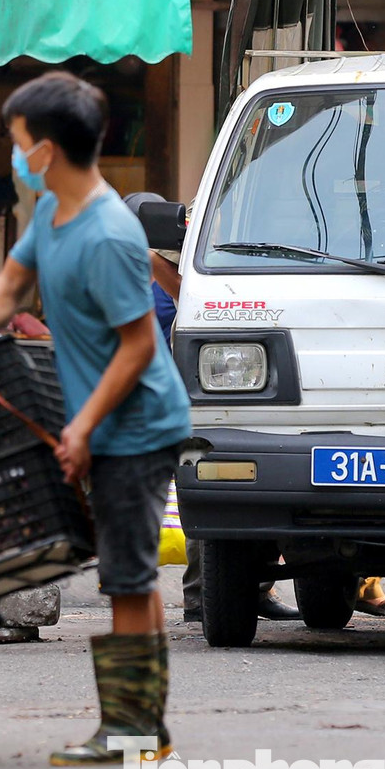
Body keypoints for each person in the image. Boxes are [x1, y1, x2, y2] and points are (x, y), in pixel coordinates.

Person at [0, 72, 190, 766]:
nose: (11, 153)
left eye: (16, 141)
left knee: (127, 578)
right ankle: (143, 721)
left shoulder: (108, 232)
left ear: (45, 149)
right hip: (103, 421)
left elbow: (138, 344)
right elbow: (11, 283)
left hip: (136, 424)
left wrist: (81, 429)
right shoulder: (50, 213)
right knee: (128, 572)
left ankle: (132, 727)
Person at [142, 201, 301, 624]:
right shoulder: (215, 203)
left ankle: (254, 588)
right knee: (213, 475)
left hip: (254, 363)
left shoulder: (281, 204)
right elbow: (163, 268)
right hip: (204, 372)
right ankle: (202, 596)